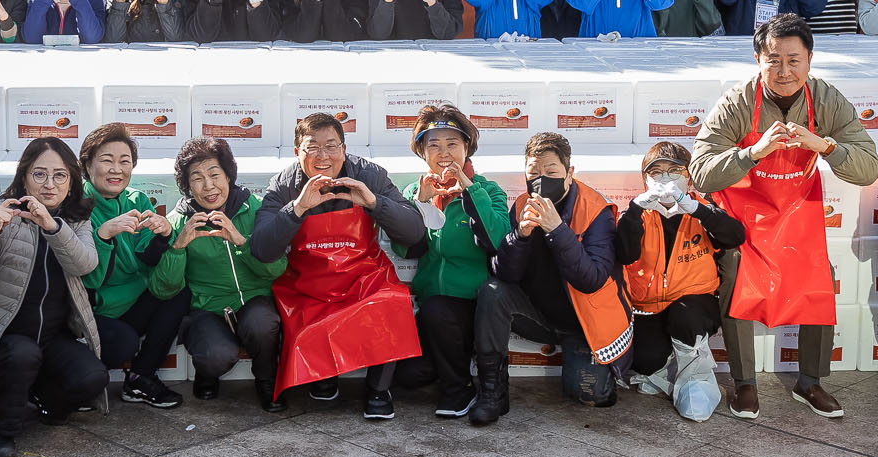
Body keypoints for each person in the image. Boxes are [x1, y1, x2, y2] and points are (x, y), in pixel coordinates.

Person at [688, 14, 878, 418]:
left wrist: (825, 146)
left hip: (796, 216)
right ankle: (744, 383)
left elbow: (868, 169)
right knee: (736, 270)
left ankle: (810, 381)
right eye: (773, 60)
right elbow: (700, 172)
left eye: (794, 60)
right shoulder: (737, 102)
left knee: (819, 273)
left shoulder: (826, 99)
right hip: (744, 220)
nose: (784, 71)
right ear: (758, 58)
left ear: (810, 60)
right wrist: (752, 152)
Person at [249, 113, 424, 417]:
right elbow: (262, 249)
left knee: (392, 299)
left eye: (331, 146)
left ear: (344, 149)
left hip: (363, 274)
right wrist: (298, 207)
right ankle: (324, 378)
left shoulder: (370, 175)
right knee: (305, 309)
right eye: (312, 148)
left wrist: (373, 202)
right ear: (296, 152)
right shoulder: (284, 184)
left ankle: (379, 389)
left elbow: (414, 231)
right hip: (309, 279)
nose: (323, 156)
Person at [0, 140, 106, 457]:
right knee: (22, 354)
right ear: (24, 177)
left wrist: (51, 225)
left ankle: (44, 400)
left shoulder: (75, 221)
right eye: (40, 174)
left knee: (93, 377)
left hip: (53, 336)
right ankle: (0, 432)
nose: (50, 184)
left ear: (72, 181)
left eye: (60, 175)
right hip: (3, 337)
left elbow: (85, 264)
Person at [149, 136, 290, 407]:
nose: (209, 186)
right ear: (188, 186)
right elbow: (162, 288)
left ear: (229, 176)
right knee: (215, 355)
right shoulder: (178, 220)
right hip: (207, 309)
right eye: (197, 178)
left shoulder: (257, 209)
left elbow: (278, 269)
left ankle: (267, 380)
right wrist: (178, 246)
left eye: (215, 174)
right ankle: (207, 373)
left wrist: (241, 241)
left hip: (254, 300)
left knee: (262, 323)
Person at [489, 132, 627, 406]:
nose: (541, 180)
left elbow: (592, 280)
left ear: (569, 173)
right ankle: (491, 388)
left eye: (551, 172)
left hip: (583, 323)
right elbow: (505, 274)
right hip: (537, 315)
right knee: (491, 291)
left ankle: (594, 364)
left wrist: (557, 229)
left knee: (591, 397)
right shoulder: (520, 205)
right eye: (533, 173)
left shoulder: (596, 210)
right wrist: (520, 235)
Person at [399, 104, 515, 424]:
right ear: (422, 152)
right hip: (433, 305)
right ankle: (456, 364)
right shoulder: (415, 190)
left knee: (438, 308)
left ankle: (459, 388)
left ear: (467, 147)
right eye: (433, 145)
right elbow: (408, 249)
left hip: (475, 306)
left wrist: (469, 189)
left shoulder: (488, 190)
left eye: (452, 143)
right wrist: (418, 205)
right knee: (410, 375)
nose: (444, 152)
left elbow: (496, 244)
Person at [618, 139, 747, 405]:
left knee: (684, 314)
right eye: (656, 172)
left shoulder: (701, 208)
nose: (666, 178)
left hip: (695, 303)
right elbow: (624, 254)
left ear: (689, 177)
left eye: (675, 171)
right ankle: (670, 371)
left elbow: (735, 236)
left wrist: (697, 209)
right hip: (650, 305)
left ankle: (696, 379)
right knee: (643, 361)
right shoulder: (638, 213)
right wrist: (633, 211)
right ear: (645, 179)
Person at [79, 126, 188, 409]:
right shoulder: (75, 205)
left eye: (125, 161)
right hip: (90, 309)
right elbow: (87, 279)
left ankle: (140, 378)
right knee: (123, 343)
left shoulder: (136, 199)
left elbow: (147, 259)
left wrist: (163, 235)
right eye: (107, 160)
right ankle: (73, 368)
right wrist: (102, 235)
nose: (117, 169)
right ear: (88, 163)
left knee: (177, 292)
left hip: (130, 301)